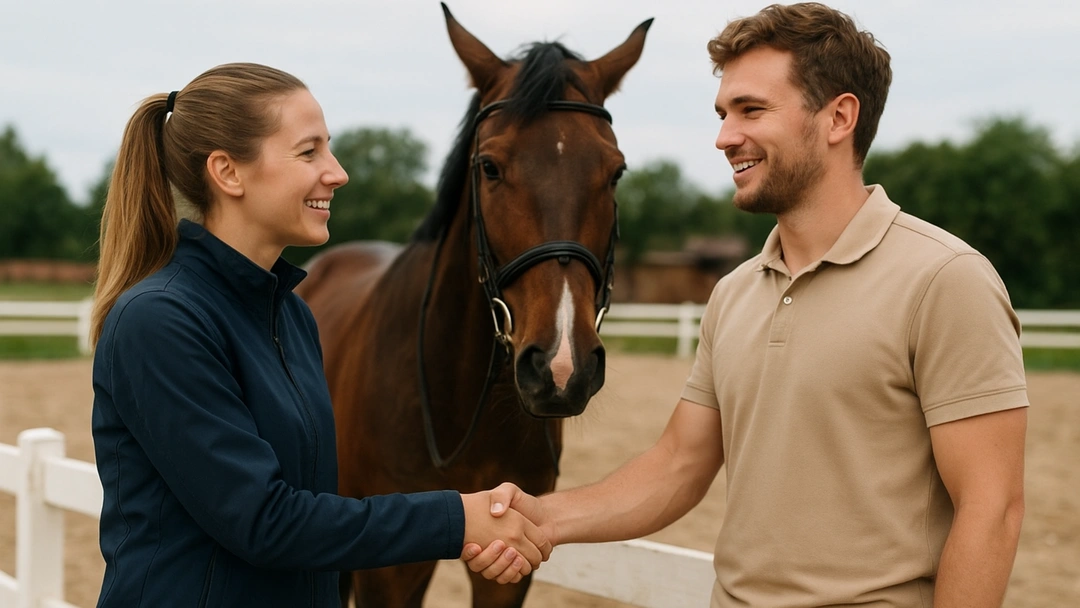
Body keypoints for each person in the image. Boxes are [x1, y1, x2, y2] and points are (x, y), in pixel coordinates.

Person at [463, 3, 1028, 605]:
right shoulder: (734, 295)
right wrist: (542, 518)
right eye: (723, 112)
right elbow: (679, 465)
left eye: (751, 110)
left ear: (838, 118)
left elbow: (991, 510)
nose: (725, 136)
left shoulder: (945, 279)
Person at [89, 62, 549, 607]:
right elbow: (263, 520)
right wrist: (458, 517)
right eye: (309, 152)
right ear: (227, 172)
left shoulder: (292, 316)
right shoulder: (159, 321)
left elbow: (316, 514)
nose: (337, 172)